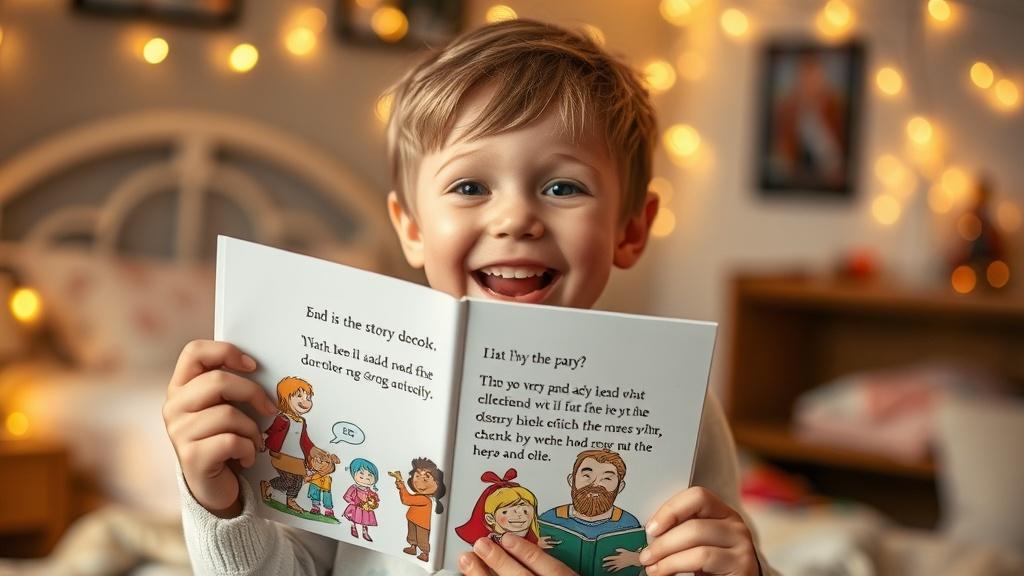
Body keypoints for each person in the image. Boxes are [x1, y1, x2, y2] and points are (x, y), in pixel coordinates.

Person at [163, 18, 773, 576]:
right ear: (412, 228)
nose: (515, 219)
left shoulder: (674, 402)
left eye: (564, 187)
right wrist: (216, 502)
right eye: (470, 186)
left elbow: (706, 554)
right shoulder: (340, 385)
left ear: (631, 230)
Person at [341, 458, 380, 541]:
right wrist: (354, 502)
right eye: (361, 475)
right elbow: (347, 496)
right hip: (355, 507)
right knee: (353, 518)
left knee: (365, 520)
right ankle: (353, 527)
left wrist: (373, 500)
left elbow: (375, 498)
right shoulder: (354, 488)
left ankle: (365, 532)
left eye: (369, 476)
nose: (365, 478)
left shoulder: (368, 490)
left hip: (365, 509)